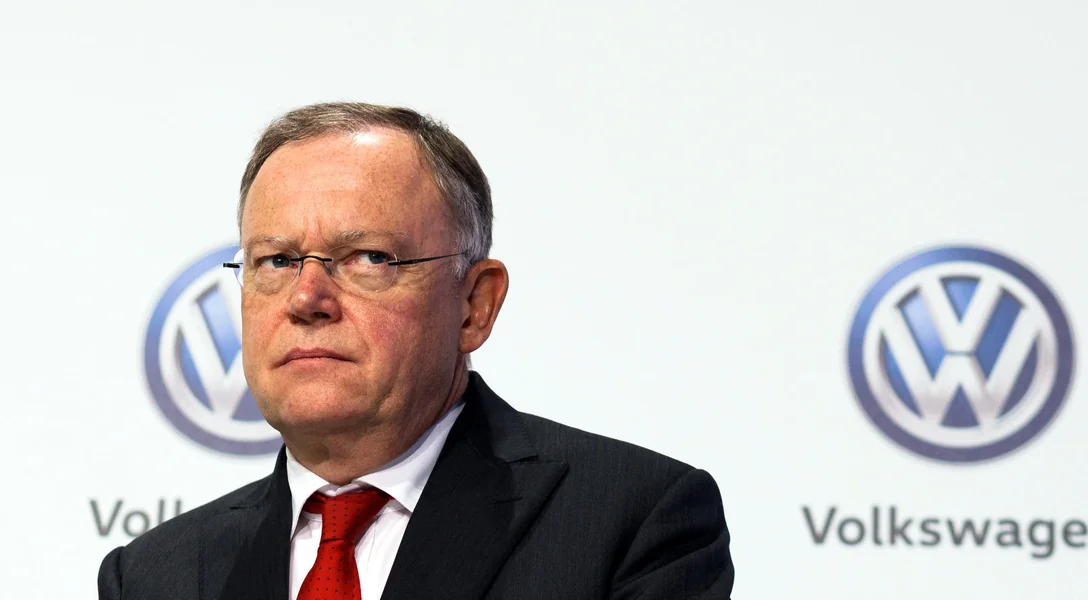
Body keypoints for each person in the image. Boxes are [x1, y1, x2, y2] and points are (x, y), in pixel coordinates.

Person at [98, 102, 734, 600]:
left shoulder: (632, 521)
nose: (307, 297)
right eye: (278, 260)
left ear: (474, 305)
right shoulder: (154, 576)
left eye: (369, 257)